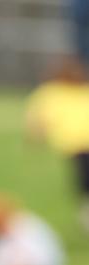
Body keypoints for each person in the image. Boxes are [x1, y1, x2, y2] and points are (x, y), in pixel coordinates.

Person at [25, 56, 89, 230]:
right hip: (76, 146)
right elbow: (39, 120)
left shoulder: (78, 91)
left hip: (77, 145)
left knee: (84, 180)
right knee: (84, 180)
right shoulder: (52, 93)